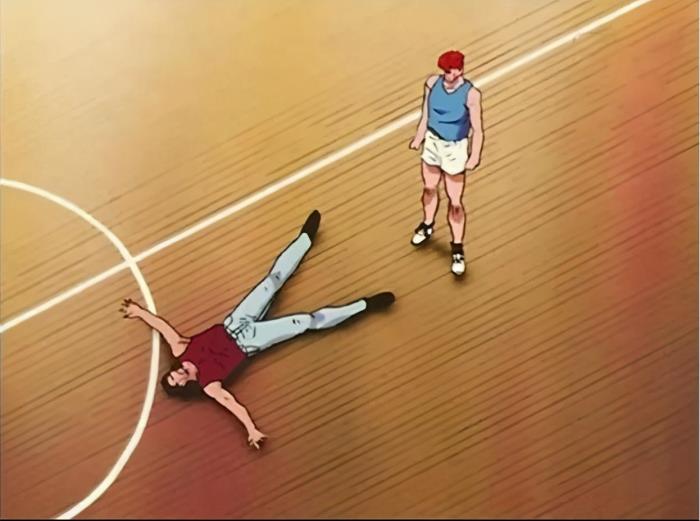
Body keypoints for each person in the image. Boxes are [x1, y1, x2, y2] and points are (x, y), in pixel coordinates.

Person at [120, 210, 395, 450]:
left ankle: (305, 239)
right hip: (252, 341)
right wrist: (251, 429)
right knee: (306, 321)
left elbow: (163, 326)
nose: (178, 375)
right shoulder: (209, 386)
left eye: (172, 375)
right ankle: (365, 305)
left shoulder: (181, 349)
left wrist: (139, 311)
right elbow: (233, 405)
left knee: (272, 281)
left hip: (236, 321)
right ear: (184, 386)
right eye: (177, 382)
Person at [409, 49, 484, 276]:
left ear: (460, 70)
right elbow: (426, 113)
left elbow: (477, 128)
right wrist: (419, 137)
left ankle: (457, 248)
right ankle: (427, 224)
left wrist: (474, 155)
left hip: (455, 148)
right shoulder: (432, 83)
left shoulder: (471, 95)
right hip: (433, 143)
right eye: (445, 71)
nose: (448, 75)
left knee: (455, 202)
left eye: (451, 71)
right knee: (429, 188)